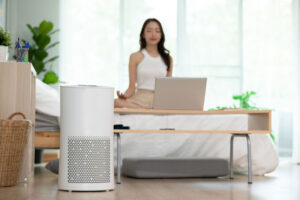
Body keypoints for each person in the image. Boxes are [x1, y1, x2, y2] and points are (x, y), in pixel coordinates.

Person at [114, 18, 173, 109]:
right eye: (149, 31)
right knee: (115, 102)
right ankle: (145, 110)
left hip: (159, 100)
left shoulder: (168, 58)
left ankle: (147, 110)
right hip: (140, 99)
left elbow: (168, 88)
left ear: (161, 35)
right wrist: (123, 96)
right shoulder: (135, 57)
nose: (153, 34)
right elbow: (131, 88)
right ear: (143, 35)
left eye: (157, 31)